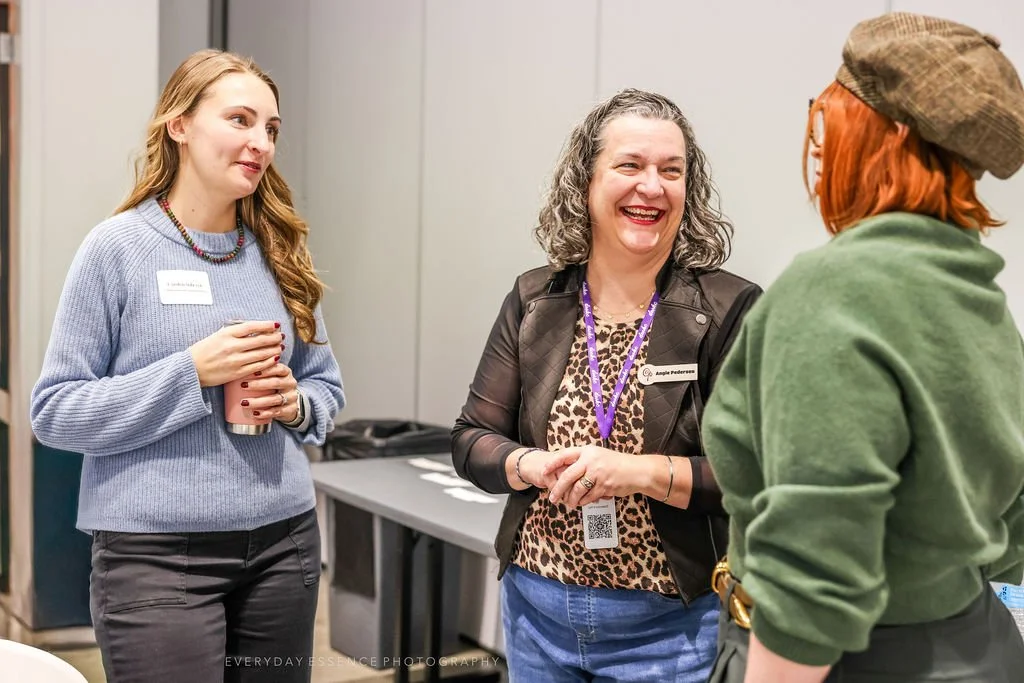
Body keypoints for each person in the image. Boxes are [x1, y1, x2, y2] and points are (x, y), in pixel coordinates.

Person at [702, 12, 1024, 683]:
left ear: (890, 132)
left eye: (833, 118)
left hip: (843, 661)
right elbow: (1011, 518)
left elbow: (816, 562)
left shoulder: (833, 291)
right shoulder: (976, 293)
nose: (820, 145)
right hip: (978, 644)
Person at [30, 49, 345, 683]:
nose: (260, 142)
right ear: (179, 124)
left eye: (271, 129)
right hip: (155, 561)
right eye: (239, 120)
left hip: (284, 546)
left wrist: (296, 404)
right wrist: (189, 372)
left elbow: (325, 388)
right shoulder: (115, 249)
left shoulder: (278, 251)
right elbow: (55, 412)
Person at [452, 88, 762, 682]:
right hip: (533, 614)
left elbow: (751, 474)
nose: (653, 186)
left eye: (672, 171)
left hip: (672, 631)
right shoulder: (536, 299)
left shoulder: (730, 309)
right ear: (585, 184)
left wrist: (633, 472)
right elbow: (472, 440)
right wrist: (530, 466)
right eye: (630, 165)